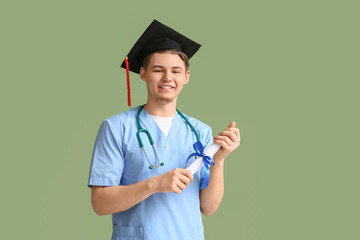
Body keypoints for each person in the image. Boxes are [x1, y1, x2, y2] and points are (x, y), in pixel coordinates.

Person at [87, 20, 240, 240]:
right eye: (158, 70)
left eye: (176, 71)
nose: (168, 78)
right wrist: (155, 184)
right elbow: (100, 204)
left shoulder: (200, 131)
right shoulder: (116, 128)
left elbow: (208, 207)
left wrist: (220, 160)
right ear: (143, 73)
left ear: (186, 77)